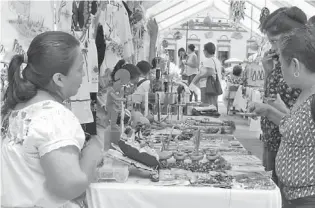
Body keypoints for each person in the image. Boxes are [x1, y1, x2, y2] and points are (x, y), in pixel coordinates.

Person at [1, 31, 103, 207]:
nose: (83, 76)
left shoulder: (15, 108)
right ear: (59, 79)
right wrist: (94, 152)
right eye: (79, 69)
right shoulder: (54, 116)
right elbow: (68, 186)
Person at [250, 26, 315, 208]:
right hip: (293, 195)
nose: (280, 69)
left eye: (281, 62)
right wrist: (269, 112)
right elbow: (299, 127)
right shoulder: (305, 93)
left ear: (294, 65)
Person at [256, 6, 306, 187]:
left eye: (275, 41)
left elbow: (303, 118)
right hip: (273, 137)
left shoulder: (303, 63)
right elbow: (273, 94)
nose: (273, 47)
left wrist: (276, 110)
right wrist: (269, 72)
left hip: (292, 148)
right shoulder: (281, 59)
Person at [193, 42, 222, 109]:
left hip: (207, 87)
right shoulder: (216, 60)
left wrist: (197, 79)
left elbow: (209, 72)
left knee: (207, 107)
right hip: (214, 86)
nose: (203, 52)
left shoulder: (208, 60)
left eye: (203, 50)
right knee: (213, 105)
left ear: (206, 51)